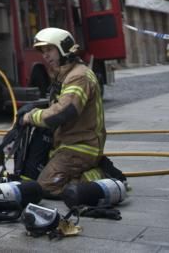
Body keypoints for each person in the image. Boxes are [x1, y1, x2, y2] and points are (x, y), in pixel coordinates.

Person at [21, 27, 107, 198]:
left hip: (81, 147)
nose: (45, 56)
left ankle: (98, 175)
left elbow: (64, 112)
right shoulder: (64, 75)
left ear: (64, 49)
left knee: (45, 187)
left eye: (49, 50)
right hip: (65, 145)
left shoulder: (79, 76)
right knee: (33, 177)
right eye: (43, 51)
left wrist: (31, 116)